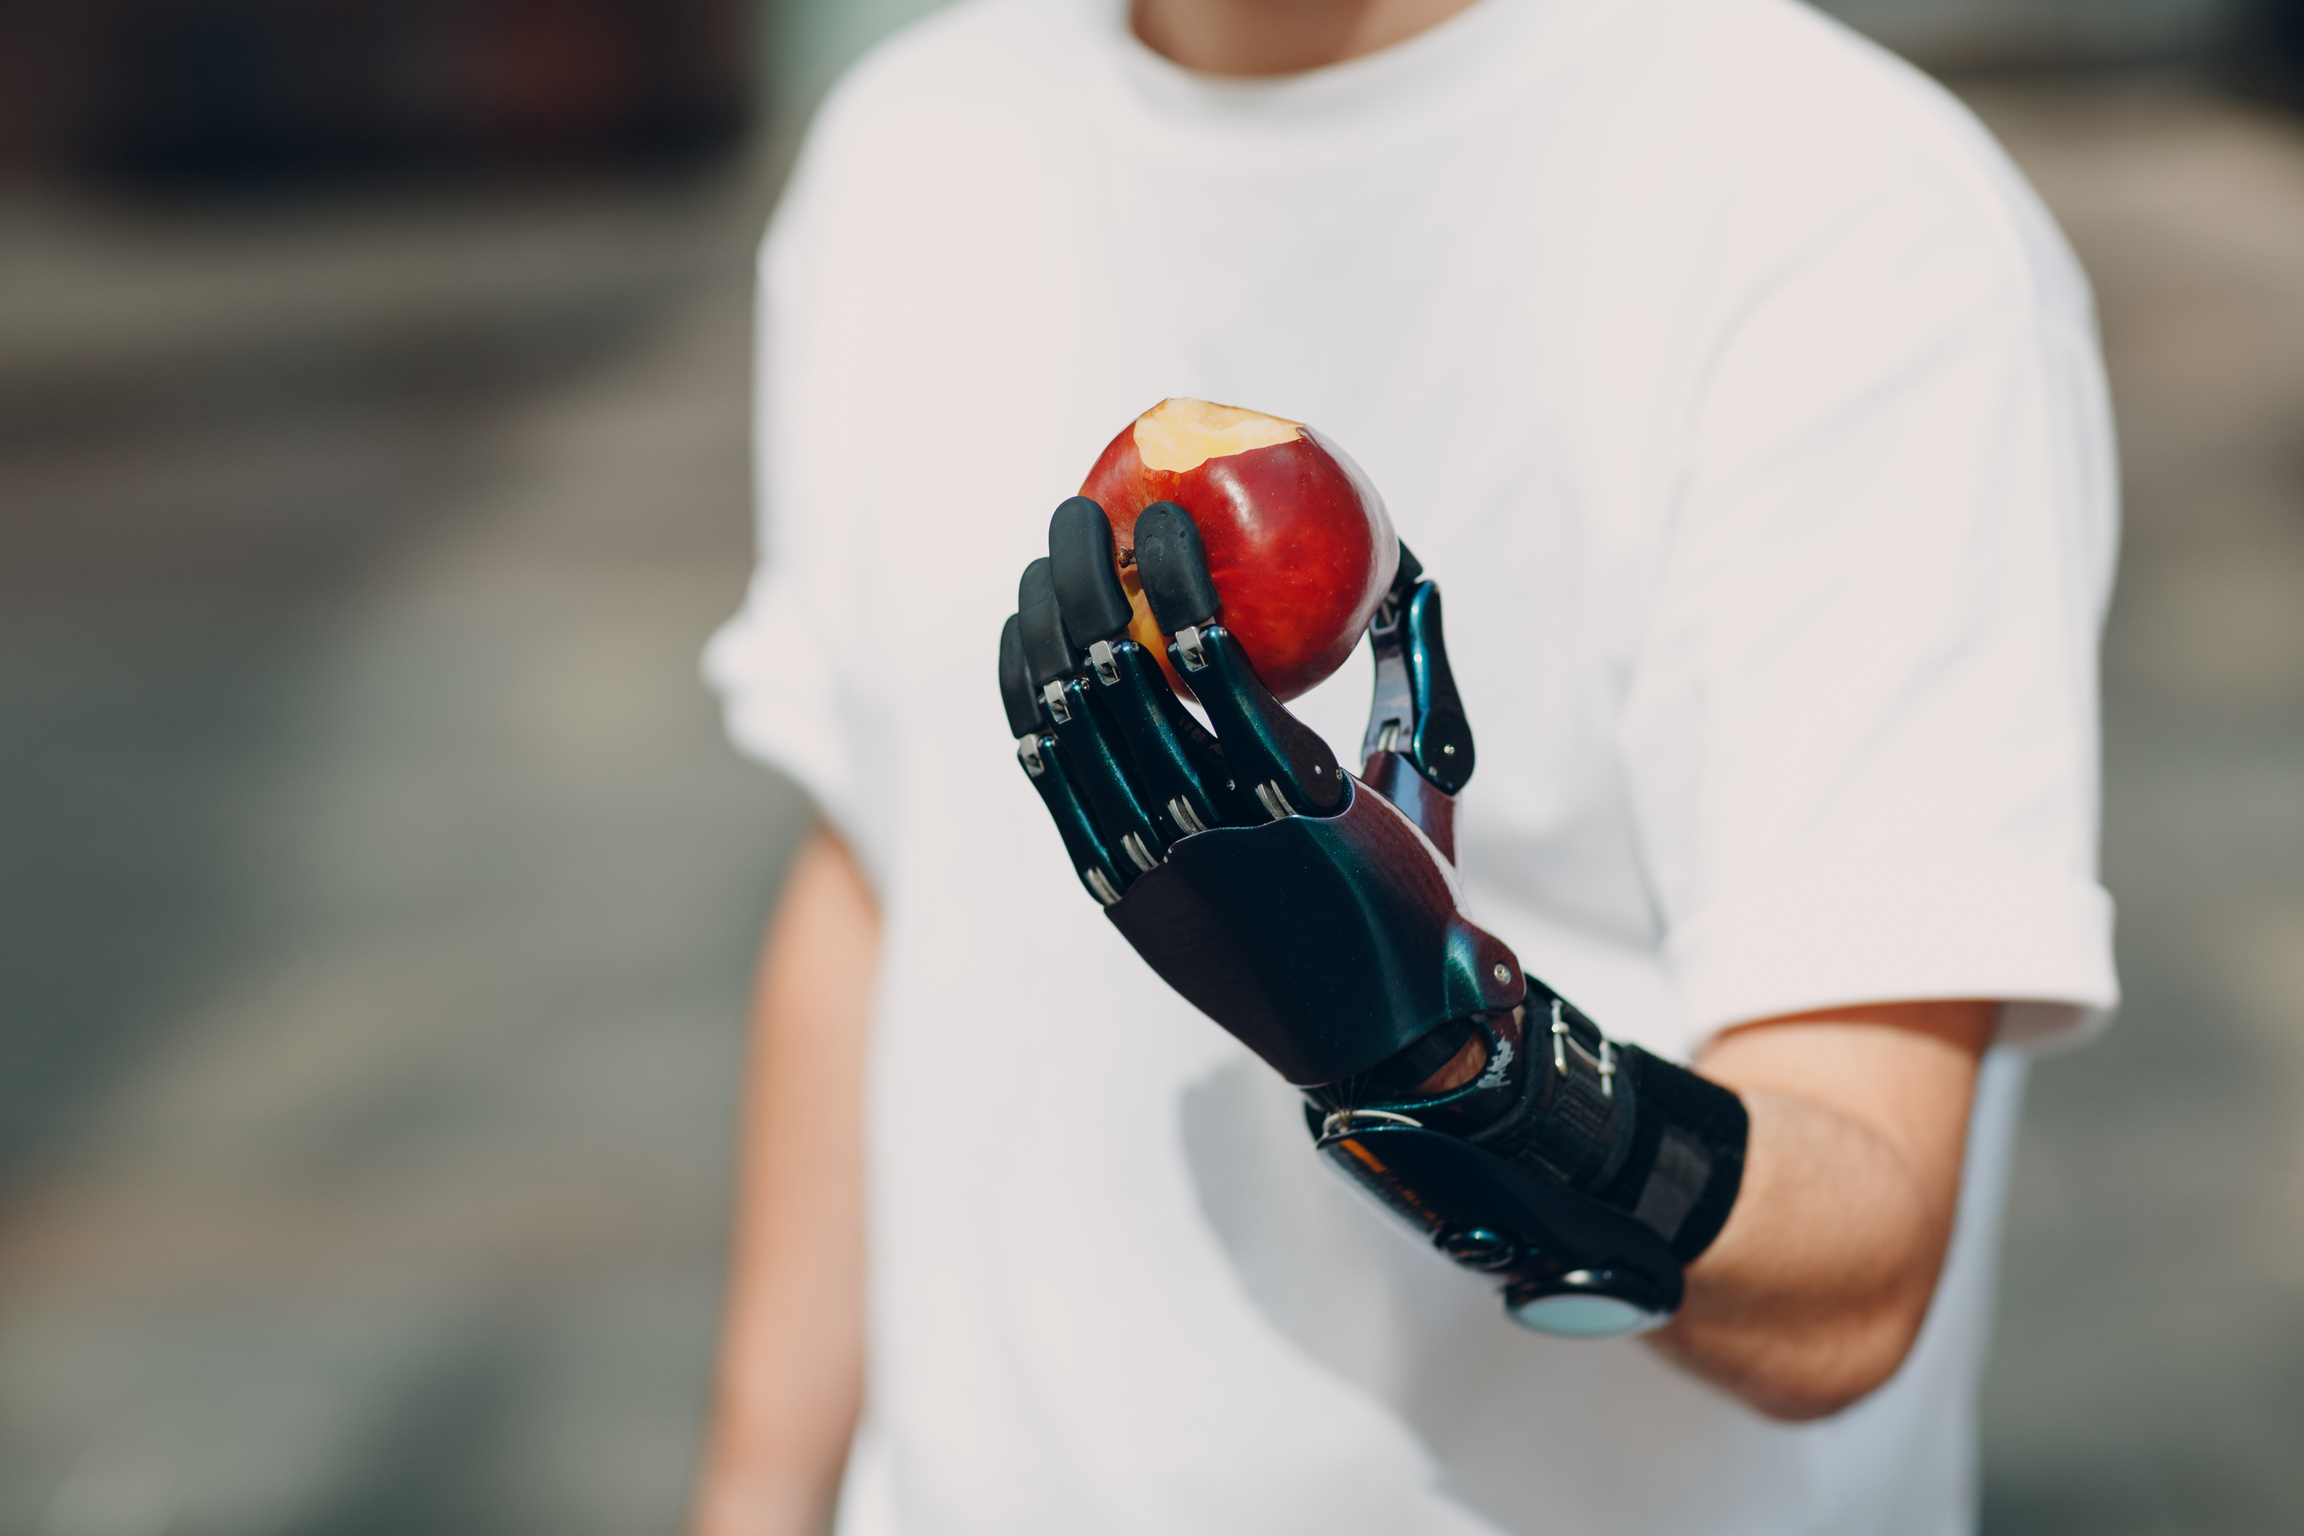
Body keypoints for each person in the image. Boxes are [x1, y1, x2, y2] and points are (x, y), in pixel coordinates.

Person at [692, 0, 2121, 1531]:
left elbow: (1859, 1273)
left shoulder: (1841, 216)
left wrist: (1467, 1079)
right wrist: (754, 1495)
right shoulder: (909, 147)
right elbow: (877, 875)